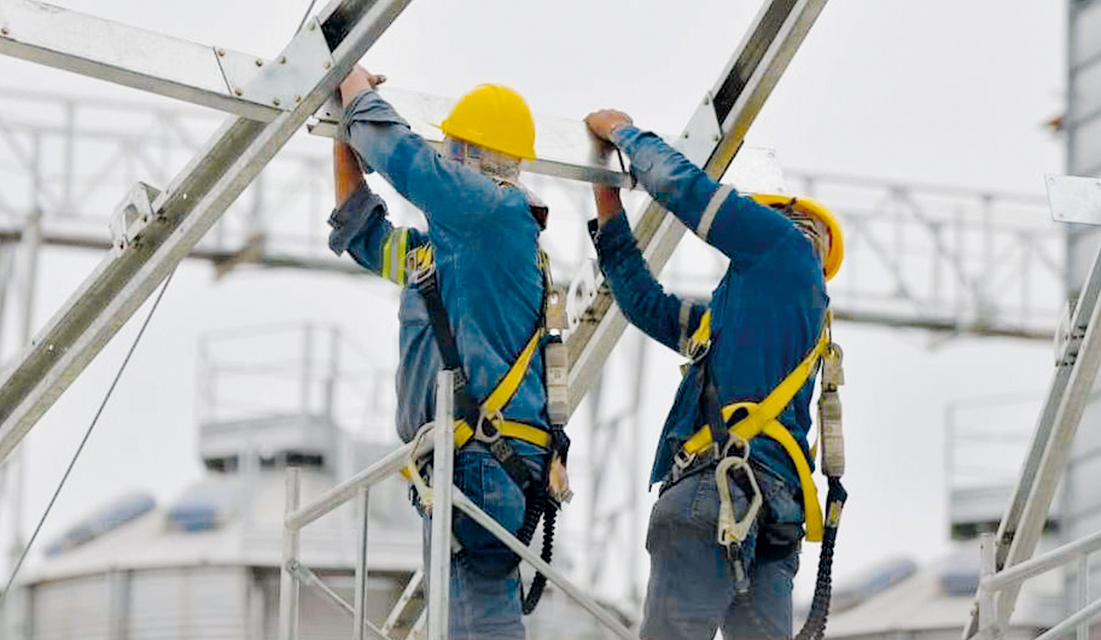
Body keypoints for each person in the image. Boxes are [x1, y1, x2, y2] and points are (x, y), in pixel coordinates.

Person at [583, 108, 844, 639]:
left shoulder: (779, 245)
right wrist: (607, 206)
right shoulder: (748, 326)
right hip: (775, 516)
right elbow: (644, 304)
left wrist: (621, 133)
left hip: (718, 491)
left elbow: (685, 188)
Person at [326, 65, 566, 640]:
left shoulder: (494, 210)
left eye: (453, 147)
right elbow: (366, 237)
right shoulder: (447, 257)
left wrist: (354, 88)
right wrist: (343, 131)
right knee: (468, 615)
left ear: (479, 155)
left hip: (482, 455)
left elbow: (406, 160)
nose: (445, 154)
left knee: (478, 617)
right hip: (466, 460)